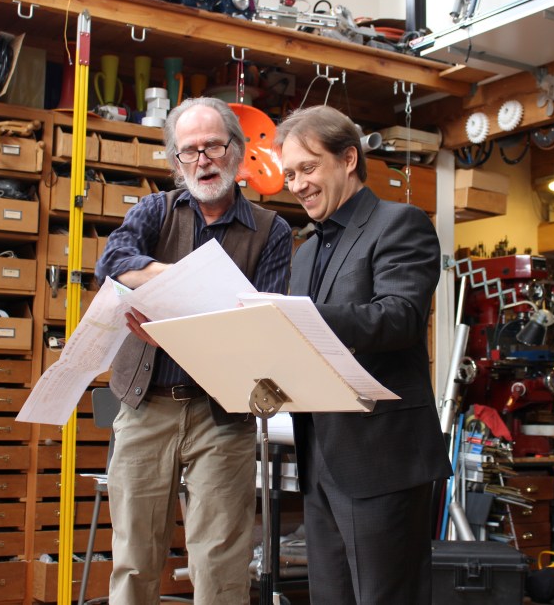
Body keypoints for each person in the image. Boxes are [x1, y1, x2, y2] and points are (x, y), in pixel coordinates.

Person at [95, 97, 293, 605]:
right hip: (145, 407)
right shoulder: (153, 211)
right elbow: (114, 259)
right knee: (135, 559)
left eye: (213, 146)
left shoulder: (272, 232)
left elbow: (260, 325)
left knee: (220, 564)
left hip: (221, 415)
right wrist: (180, 284)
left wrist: (176, 320)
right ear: (175, 162)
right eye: (188, 151)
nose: (202, 159)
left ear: (238, 150)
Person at [273, 105, 452, 604]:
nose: (298, 184)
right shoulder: (305, 249)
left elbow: (399, 318)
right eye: (289, 174)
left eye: (307, 168)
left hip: (382, 457)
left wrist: (299, 317)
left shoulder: (400, 223)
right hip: (320, 457)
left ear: (348, 158)